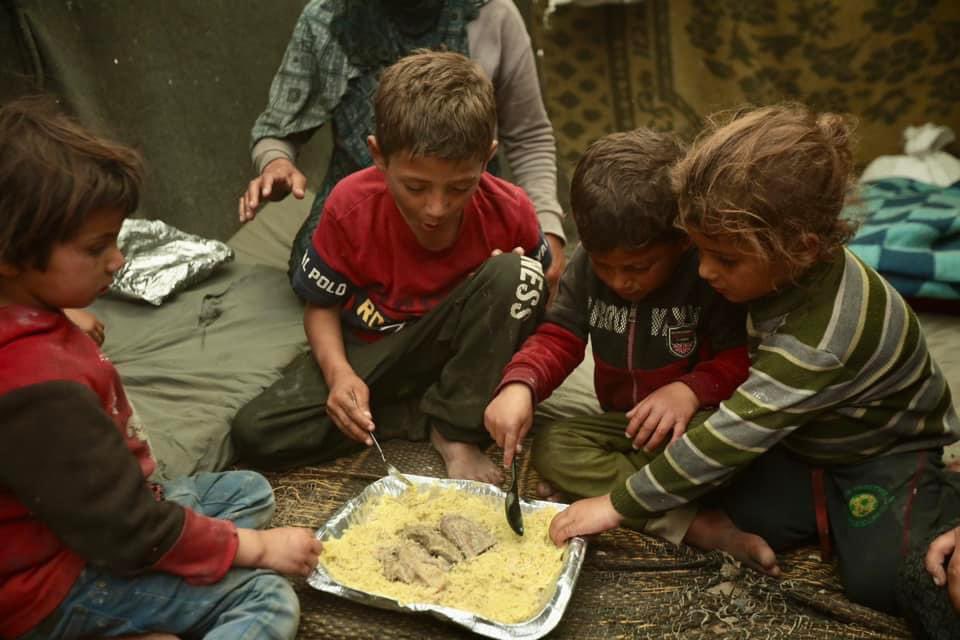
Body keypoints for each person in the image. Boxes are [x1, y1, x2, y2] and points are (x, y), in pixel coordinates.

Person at [546, 104, 960, 629]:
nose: (704, 271)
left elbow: (732, 434)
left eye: (725, 258)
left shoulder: (822, 334)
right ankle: (821, 513)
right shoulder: (770, 271)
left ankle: (931, 496)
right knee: (699, 478)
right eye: (698, 250)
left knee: (880, 580)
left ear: (803, 248)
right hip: (793, 442)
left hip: (878, 453)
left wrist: (616, 506)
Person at [0, 95, 323, 640]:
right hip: (54, 584)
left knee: (247, 492)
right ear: (12, 256)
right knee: (265, 596)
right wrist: (258, 550)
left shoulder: (29, 318)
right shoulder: (40, 393)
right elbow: (128, 533)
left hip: (86, 520)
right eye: (97, 247)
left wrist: (59, 314)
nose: (117, 261)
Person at [232, 50, 552, 484]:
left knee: (520, 276)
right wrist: (341, 376)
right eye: (416, 187)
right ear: (379, 156)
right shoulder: (349, 207)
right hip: (376, 352)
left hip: (460, 354)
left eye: (460, 187)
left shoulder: (509, 210)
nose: (436, 208)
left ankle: (455, 430)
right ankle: (417, 411)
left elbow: (542, 308)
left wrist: (504, 289)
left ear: (487, 157)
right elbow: (320, 308)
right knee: (258, 432)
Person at [484, 129, 771, 561]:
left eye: (639, 266)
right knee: (554, 446)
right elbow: (560, 336)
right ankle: (689, 522)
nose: (621, 281)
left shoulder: (706, 273)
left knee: (721, 448)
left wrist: (689, 391)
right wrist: (520, 386)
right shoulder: (584, 267)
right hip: (624, 425)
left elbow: (739, 361)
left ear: (681, 239)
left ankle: (618, 495)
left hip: (689, 429)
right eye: (606, 266)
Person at [238, 0, 568, 297]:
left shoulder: (493, 15)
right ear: (377, 154)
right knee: (315, 274)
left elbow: (529, 135)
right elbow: (278, 128)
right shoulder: (327, 18)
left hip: (468, 212)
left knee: (503, 283)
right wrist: (276, 163)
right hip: (358, 213)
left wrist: (547, 227)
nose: (432, 207)